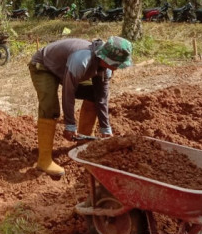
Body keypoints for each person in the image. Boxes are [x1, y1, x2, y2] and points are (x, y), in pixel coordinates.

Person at [29, 36, 133, 176]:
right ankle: (44, 161)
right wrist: (70, 125)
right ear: (106, 58)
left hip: (64, 69)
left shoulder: (106, 69)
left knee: (93, 95)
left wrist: (105, 128)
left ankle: (83, 142)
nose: (116, 68)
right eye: (115, 64)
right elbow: (68, 92)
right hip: (44, 66)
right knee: (50, 106)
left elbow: (101, 98)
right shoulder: (81, 60)